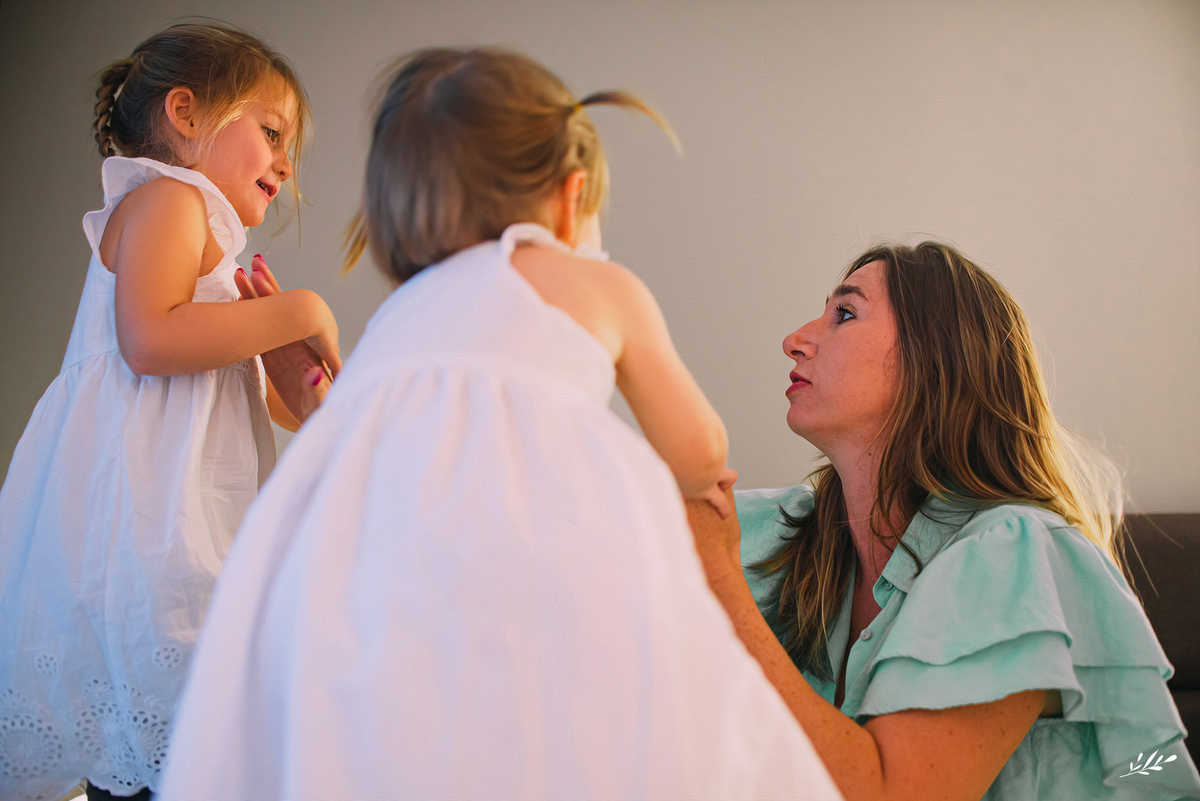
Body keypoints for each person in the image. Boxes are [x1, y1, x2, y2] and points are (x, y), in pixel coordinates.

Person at [158, 47, 841, 800]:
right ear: (570, 196)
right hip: (535, 554)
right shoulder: (596, 283)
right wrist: (703, 477)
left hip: (358, 581)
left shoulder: (399, 316)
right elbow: (697, 443)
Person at [686, 242, 1200, 800]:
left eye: (846, 314)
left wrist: (720, 579)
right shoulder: (779, 531)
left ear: (934, 361)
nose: (795, 339)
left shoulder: (1012, 552)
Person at [0, 22, 339, 801]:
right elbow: (150, 339)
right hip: (146, 545)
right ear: (186, 113)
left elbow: (235, 397)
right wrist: (302, 311)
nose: (287, 165)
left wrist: (301, 385)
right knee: (181, 742)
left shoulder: (201, 238)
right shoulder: (170, 200)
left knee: (180, 749)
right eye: (272, 132)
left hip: (173, 537)